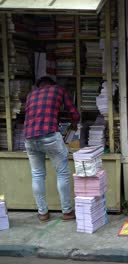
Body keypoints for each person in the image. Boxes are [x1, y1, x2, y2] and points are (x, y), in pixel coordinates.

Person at [24, 76, 80, 222]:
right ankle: (67, 212)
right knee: (62, 173)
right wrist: (74, 125)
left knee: (37, 175)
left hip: (29, 138)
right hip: (49, 135)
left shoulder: (31, 95)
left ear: (39, 86)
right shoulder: (58, 90)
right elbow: (74, 113)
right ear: (51, 84)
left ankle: (42, 213)